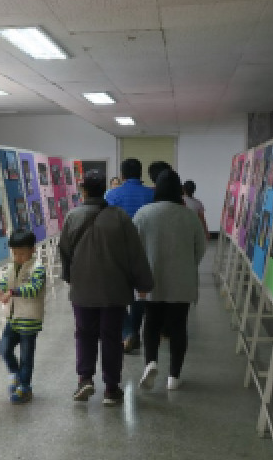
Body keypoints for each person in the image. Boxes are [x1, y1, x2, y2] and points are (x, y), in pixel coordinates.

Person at [60, 170, 153, 405]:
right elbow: (135, 254)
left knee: (84, 334)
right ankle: (111, 389)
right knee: (111, 337)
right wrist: (144, 283)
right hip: (114, 290)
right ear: (105, 190)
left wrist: (72, 278)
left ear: (83, 190)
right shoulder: (120, 217)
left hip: (83, 289)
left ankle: (85, 379)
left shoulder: (72, 217)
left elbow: (65, 253)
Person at [133, 169, 206, 390]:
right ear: (179, 190)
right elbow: (200, 249)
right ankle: (174, 376)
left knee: (151, 323)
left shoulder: (143, 214)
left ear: (157, 189)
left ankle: (151, 363)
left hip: (151, 279)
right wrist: (187, 264)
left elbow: (134, 249)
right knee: (178, 326)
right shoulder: (189, 216)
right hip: (181, 281)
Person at [104, 158, 155, 354]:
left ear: (122, 175)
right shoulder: (152, 194)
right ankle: (134, 332)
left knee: (116, 294)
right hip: (145, 250)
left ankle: (128, 333)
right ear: (140, 173)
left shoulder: (112, 194)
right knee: (139, 293)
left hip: (118, 251)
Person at [0, 230, 47, 404]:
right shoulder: (11, 267)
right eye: (15, 253)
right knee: (4, 349)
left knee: (26, 357)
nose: (18, 257)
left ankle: (25, 387)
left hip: (29, 319)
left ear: (32, 250)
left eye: (22, 254)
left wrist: (12, 292)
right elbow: (4, 282)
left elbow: (34, 289)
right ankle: (15, 374)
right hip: (13, 318)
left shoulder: (37, 269)